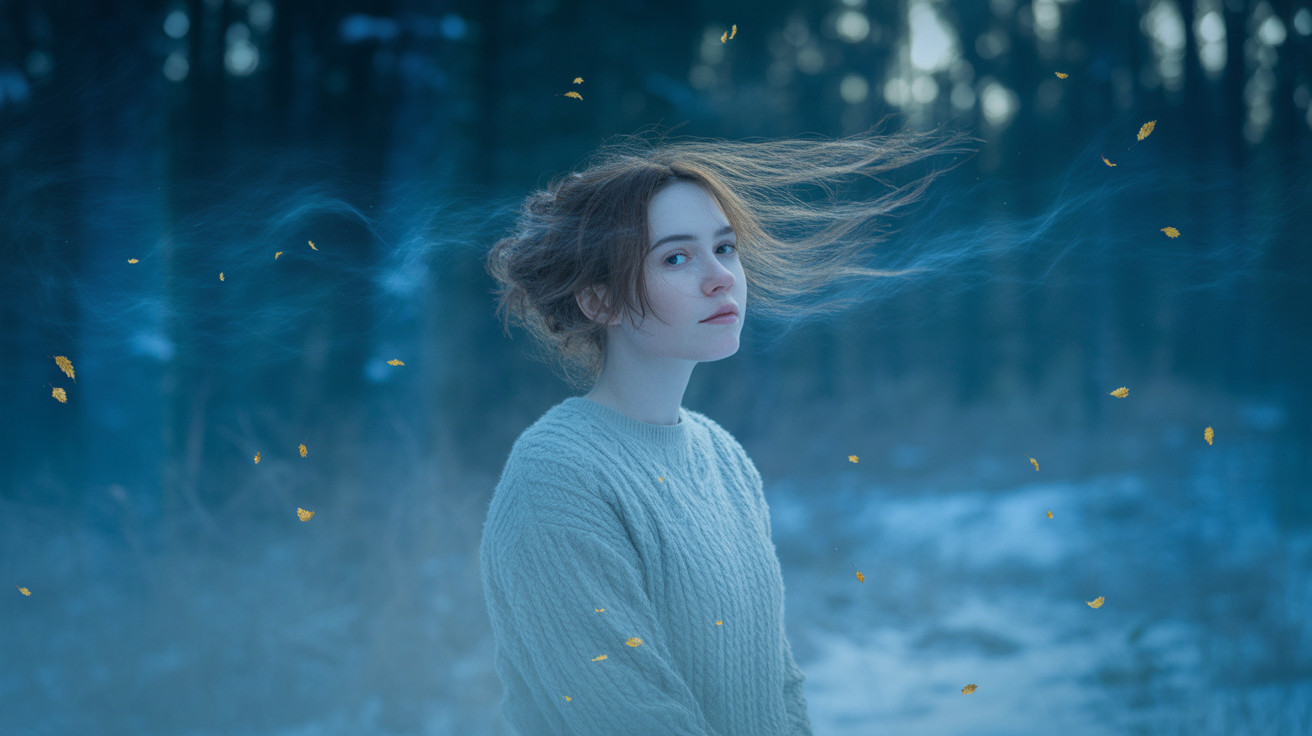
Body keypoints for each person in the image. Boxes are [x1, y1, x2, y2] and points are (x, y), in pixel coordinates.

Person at [480, 126, 965, 735]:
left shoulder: (723, 456)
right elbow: (629, 719)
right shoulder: (557, 476)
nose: (720, 278)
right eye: (676, 257)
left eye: (726, 249)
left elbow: (777, 687)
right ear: (598, 301)